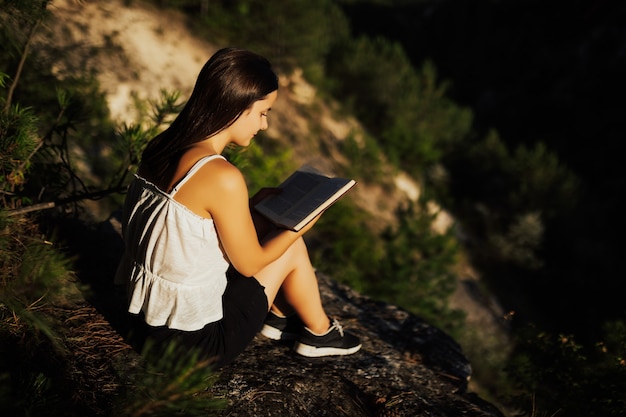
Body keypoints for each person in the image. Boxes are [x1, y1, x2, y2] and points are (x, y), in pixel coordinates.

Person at [114, 47, 361, 368]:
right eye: (263, 112)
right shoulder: (221, 175)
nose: (265, 125)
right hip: (192, 347)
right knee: (289, 244)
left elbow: (183, 223)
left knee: (269, 228)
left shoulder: (163, 146)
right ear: (235, 108)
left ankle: (279, 317)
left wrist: (253, 206)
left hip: (143, 323)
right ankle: (320, 332)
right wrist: (298, 227)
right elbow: (249, 264)